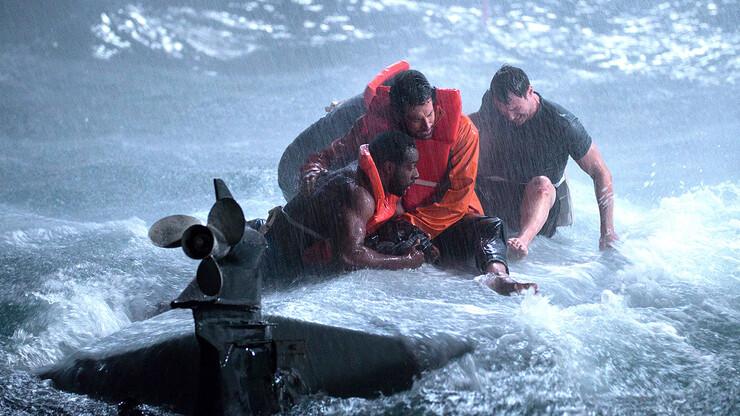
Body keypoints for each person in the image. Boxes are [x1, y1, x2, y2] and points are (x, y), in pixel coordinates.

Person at [300, 69, 537, 296]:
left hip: (442, 222)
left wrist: (412, 224)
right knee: (348, 243)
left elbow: (458, 201)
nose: (427, 125)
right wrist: (314, 168)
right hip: (394, 222)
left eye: (430, 114)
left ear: (434, 102)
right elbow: (330, 155)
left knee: (491, 227)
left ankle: (497, 277)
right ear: (397, 115)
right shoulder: (374, 125)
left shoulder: (464, 131)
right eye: (416, 119)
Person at [469, 64, 619, 259]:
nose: (511, 117)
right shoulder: (492, 102)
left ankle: (522, 242)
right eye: (504, 112)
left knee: (542, 184)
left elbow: (601, 173)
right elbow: (475, 122)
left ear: (530, 91)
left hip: (537, 206)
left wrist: (607, 231)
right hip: (494, 196)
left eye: (516, 109)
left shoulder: (562, 123)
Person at [260, 130, 436, 284]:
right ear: (389, 167)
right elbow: (349, 256)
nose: (416, 174)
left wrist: (424, 244)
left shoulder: (385, 186)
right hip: (274, 257)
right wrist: (405, 261)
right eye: (411, 167)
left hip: (293, 252)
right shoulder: (359, 194)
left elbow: (392, 222)